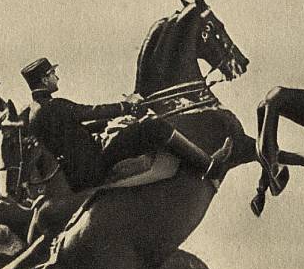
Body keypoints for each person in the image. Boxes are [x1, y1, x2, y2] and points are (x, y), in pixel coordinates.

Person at [20, 58, 233, 191]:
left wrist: (111, 122)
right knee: (153, 127)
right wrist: (127, 106)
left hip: (76, 175)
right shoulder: (55, 105)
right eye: (53, 74)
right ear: (45, 80)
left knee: (132, 129)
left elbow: (72, 132)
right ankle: (209, 166)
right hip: (94, 164)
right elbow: (89, 112)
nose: (57, 77)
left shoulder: (34, 112)